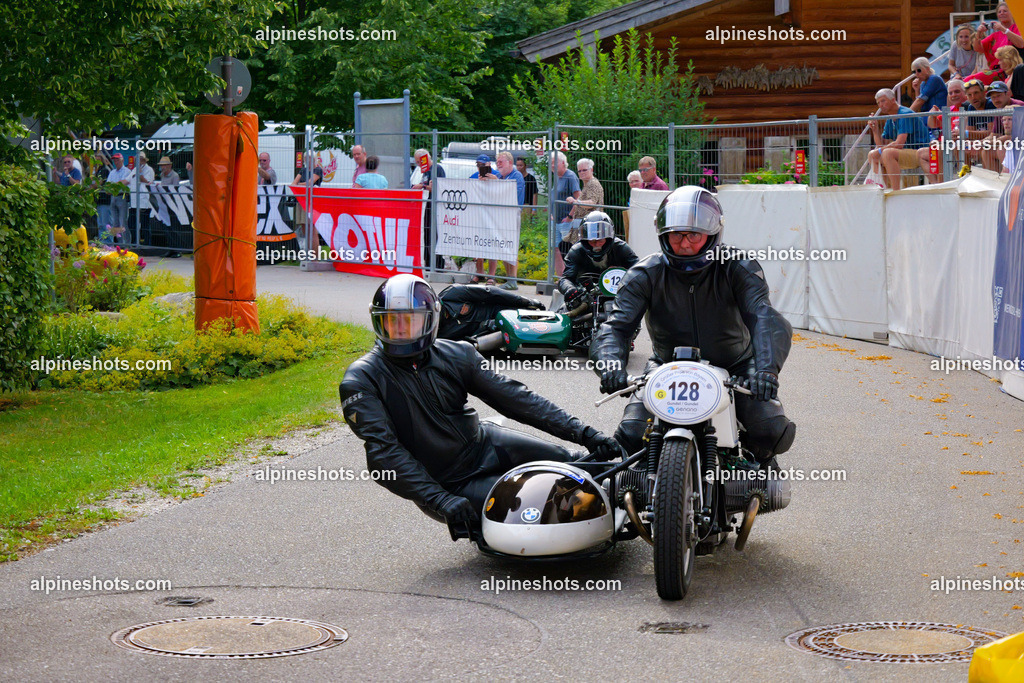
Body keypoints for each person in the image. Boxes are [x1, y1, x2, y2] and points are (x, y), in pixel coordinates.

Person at [339, 274, 622, 534]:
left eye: (410, 321)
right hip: (448, 482)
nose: (401, 330)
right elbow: (383, 456)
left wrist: (585, 433)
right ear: (379, 322)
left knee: (581, 465)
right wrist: (439, 498)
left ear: (429, 320)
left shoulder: (458, 353)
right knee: (552, 504)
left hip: (486, 444)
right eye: (392, 321)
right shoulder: (361, 379)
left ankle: (646, 492)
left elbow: (518, 399)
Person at [590, 186, 796, 467]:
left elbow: (764, 317)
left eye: (693, 235)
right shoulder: (644, 273)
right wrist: (610, 364)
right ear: (663, 234)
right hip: (665, 367)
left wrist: (766, 370)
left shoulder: (738, 266)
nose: (684, 244)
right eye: (676, 234)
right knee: (631, 435)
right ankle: (637, 493)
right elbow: (616, 326)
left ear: (712, 234)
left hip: (736, 366)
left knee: (770, 430)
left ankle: (757, 471)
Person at [557, 211, 639, 310]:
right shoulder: (576, 251)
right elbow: (566, 278)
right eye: (592, 241)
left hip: (617, 295)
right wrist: (570, 288)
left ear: (608, 238)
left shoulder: (621, 248)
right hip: (585, 295)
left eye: (600, 240)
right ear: (585, 239)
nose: (596, 244)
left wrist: (625, 275)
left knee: (634, 313)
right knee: (564, 310)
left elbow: (638, 271)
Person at [475, 151, 524, 289]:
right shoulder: (501, 177)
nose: (498, 165)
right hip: (502, 216)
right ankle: (509, 279)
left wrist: (496, 182)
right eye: (497, 163)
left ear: (510, 162)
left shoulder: (516, 175)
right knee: (504, 247)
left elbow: (511, 193)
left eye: (501, 162)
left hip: (512, 215)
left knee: (510, 246)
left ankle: (512, 280)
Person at [867, 88, 931, 189]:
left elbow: (899, 144)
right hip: (906, 152)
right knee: (873, 155)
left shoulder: (904, 114)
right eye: (878, 103)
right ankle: (884, 188)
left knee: (887, 153)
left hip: (921, 152)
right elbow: (881, 145)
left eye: (883, 101)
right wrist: (875, 130)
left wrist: (879, 150)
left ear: (893, 100)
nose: (880, 105)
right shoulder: (890, 119)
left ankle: (895, 191)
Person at [436, 282, 544, 342]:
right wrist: (484, 328)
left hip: (501, 310)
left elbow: (489, 292)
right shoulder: (436, 334)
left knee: (535, 317)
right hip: (487, 333)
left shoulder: (453, 293)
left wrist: (524, 301)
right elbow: (464, 344)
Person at [918, 79, 968, 183]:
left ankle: (942, 183)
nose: (953, 95)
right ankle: (936, 185)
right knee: (921, 153)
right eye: (950, 93)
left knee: (940, 148)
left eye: (957, 91)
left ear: (965, 92)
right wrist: (932, 114)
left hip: (959, 146)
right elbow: (933, 124)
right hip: (946, 145)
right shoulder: (950, 109)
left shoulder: (968, 107)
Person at [412, 148, 446, 270]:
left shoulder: (437, 169)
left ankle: (437, 264)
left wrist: (423, 186)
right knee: (427, 234)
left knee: (434, 235)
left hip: (435, 206)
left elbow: (439, 187)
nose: (418, 165)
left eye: (418, 162)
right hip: (427, 204)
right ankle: (428, 263)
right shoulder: (425, 171)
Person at [983, 81, 1024, 170]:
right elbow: (993, 135)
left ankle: (1008, 179)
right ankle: (995, 182)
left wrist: (994, 141)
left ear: (1008, 94)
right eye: (993, 97)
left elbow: (1015, 135)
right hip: (1013, 145)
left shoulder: (1019, 106)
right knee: (986, 151)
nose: (996, 100)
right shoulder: (1000, 109)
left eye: (998, 96)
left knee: (1001, 149)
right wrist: (980, 143)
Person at [552, 151, 581, 276]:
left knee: (567, 250)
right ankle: (561, 278)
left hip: (566, 221)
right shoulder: (557, 177)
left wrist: (570, 216)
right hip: (556, 221)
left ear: (563, 163)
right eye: (550, 163)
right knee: (556, 249)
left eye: (554, 162)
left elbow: (578, 198)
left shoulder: (570, 176)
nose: (552, 165)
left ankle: (571, 277)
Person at [975, 3, 1024, 71]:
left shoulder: (1018, 28)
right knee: (969, 80)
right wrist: (978, 34)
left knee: (971, 79)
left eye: (1005, 11)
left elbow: (1021, 44)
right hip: (998, 70)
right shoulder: (995, 35)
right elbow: (978, 49)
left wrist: (1003, 29)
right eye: (999, 12)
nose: (1002, 13)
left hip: (1014, 70)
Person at [291, 153, 324, 248]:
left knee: (312, 230)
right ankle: (308, 254)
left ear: (314, 159)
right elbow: (293, 183)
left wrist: (299, 185)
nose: (307, 160)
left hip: (311, 202)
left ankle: (315, 258)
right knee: (304, 228)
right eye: (306, 158)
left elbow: (310, 183)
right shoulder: (303, 170)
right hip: (301, 201)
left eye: (309, 158)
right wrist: (300, 185)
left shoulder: (318, 170)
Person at [106, 153, 132, 241]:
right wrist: (115, 186)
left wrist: (113, 186)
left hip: (122, 197)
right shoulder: (112, 172)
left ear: (122, 160)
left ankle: (126, 244)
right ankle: (118, 244)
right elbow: (107, 186)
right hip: (113, 197)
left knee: (122, 222)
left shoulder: (127, 171)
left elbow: (122, 184)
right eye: (114, 160)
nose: (116, 162)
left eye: (117, 159)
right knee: (115, 222)